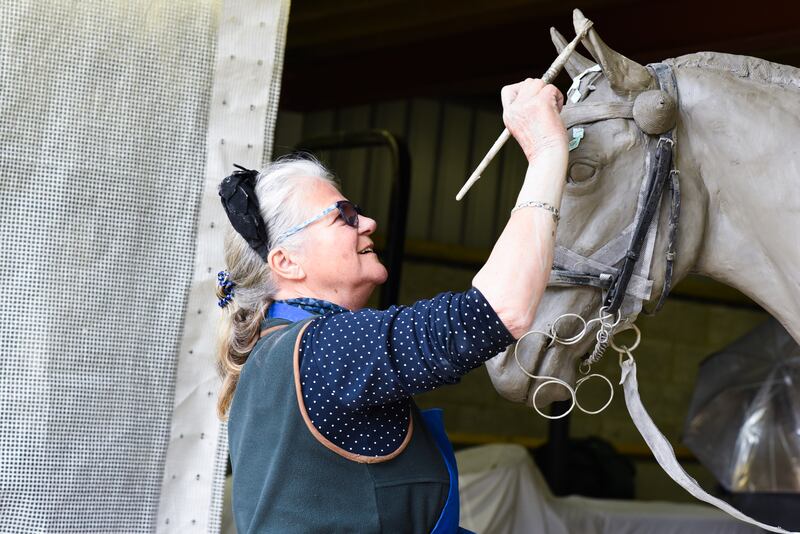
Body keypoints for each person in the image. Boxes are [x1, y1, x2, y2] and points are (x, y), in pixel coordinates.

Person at [216, 78, 568, 533]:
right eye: (343, 216)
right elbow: (500, 310)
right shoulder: (323, 349)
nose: (367, 222)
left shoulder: (279, 351)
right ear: (287, 261)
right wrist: (546, 152)